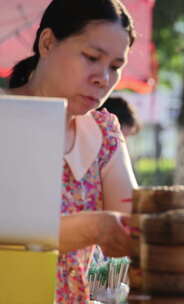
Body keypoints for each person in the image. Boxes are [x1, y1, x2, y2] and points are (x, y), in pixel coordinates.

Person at [2, 0, 137, 302]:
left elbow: (132, 221)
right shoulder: (3, 116)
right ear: (47, 43)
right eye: (91, 57)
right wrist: (92, 227)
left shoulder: (104, 131)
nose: (103, 78)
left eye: (115, 67)